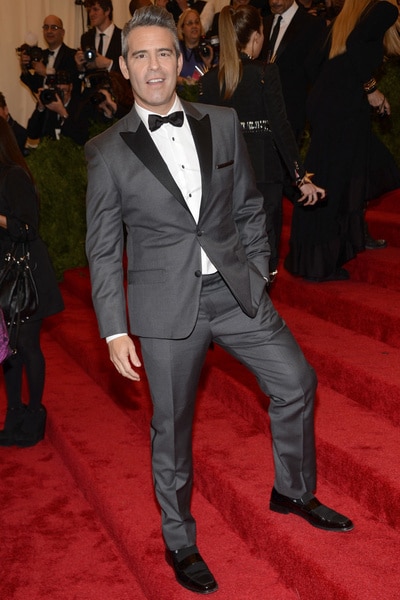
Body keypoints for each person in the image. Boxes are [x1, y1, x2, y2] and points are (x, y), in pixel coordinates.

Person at [85, 6, 353, 595]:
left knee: (297, 382)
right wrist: (113, 330)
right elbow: (102, 249)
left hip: (236, 292)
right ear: (124, 69)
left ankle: (293, 489)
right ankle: (180, 541)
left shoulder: (223, 122)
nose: (154, 65)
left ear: (180, 62)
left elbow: (251, 204)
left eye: (163, 53)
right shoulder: (106, 152)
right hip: (163, 311)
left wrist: (257, 273)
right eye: (140, 55)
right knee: (172, 431)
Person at [200, 4, 324, 279]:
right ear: (257, 36)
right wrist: (301, 177)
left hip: (225, 181)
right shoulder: (265, 74)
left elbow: (204, 141)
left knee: (233, 255)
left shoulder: (208, 82)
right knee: (261, 258)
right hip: (264, 179)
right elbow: (281, 129)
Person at [284, 0, 400, 282]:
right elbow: (358, 42)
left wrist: (332, 87)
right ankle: (320, 264)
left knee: (336, 175)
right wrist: (369, 89)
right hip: (344, 107)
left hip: (328, 104)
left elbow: (313, 61)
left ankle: (316, 255)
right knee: (336, 181)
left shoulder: (349, 16)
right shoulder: (385, 8)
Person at [0, 118, 64, 448]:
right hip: (5, 276)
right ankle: (13, 414)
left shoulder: (14, 176)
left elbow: (28, 228)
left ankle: (35, 414)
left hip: (26, 275)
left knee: (26, 345)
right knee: (8, 350)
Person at [260, 0, 326, 144]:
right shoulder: (263, 24)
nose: (274, 1)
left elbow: (317, 74)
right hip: (262, 113)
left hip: (294, 114)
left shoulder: (313, 25)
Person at [19, 15, 80, 96]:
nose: (49, 31)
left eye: (54, 28)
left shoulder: (72, 55)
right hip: (43, 106)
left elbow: (73, 84)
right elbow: (35, 86)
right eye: (46, 27)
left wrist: (46, 72)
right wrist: (23, 67)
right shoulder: (40, 55)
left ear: (62, 32)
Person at [26, 71, 90, 146]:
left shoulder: (82, 106)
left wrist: (63, 113)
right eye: (57, 90)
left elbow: (82, 139)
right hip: (49, 153)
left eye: (64, 90)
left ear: (71, 87)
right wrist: (40, 108)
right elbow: (32, 134)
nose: (61, 94)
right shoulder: (48, 104)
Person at [75, 0, 122, 76]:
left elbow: (129, 70)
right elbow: (84, 76)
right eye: (89, 10)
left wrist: (109, 64)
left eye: (95, 9)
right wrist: (80, 67)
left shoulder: (123, 36)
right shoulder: (86, 38)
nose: (91, 14)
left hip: (116, 87)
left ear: (107, 11)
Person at [177, 8, 215, 85]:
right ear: (182, 29)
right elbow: (169, 76)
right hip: (182, 94)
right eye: (190, 23)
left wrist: (208, 65)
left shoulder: (209, 47)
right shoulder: (176, 48)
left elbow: (217, 78)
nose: (194, 26)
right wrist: (186, 82)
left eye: (197, 22)